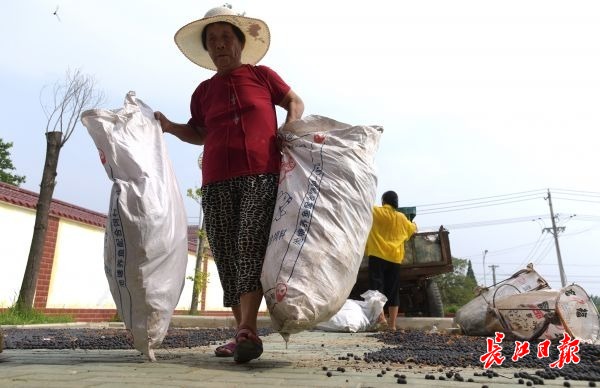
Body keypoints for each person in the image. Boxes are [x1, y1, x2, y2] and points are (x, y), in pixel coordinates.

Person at [154, 6, 304, 363]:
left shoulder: (263, 76)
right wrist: (173, 127)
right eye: (212, 40)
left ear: (240, 43)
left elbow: (294, 102)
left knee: (250, 244)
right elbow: (200, 132)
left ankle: (247, 328)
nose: (219, 45)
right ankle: (243, 332)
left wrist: (289, 127)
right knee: (225, 254)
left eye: (225, 38)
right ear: (207, 50)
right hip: (216, 180)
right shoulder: (203, 91)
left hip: (261, 174)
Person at [364, 191, 417, 331]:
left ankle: (381, 319)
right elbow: (413, 229)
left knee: (377, 288)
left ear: (383, 201)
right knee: (393, 291)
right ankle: (392, 325)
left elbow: (361, 209)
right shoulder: (401, 217)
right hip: (395, 258)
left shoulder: (375, 211)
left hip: (377, 256)